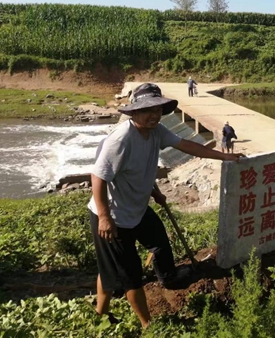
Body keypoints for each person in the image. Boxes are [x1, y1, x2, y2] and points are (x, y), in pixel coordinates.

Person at [88, 83, 244, 328]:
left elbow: (185, 146)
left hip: (138, 210)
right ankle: (144, 324)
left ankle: (168, 279)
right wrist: (105, 217)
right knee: (129, 275)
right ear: (133, 112)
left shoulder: (157, 131)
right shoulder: (119, 140)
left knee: (159, 243)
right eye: (148, 109)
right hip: (114, 217)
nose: (154, 114)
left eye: (158, 109)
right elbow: (98, 177)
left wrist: (225, 156)